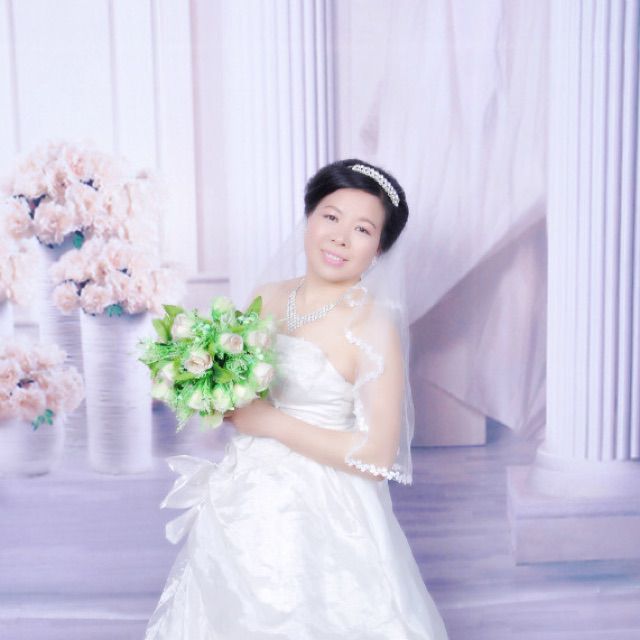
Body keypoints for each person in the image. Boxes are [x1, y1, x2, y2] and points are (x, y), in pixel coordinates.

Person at [143, 159, 449, 639]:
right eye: (331, 217)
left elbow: (377, 455)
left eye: (362, 229)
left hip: (325, 507)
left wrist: (267, 422)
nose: (340, 238)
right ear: (309, 218)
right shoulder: (268, 296)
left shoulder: (372, 324)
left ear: (379, 248)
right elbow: (238, 388)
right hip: (244, 493)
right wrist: (207, 386)